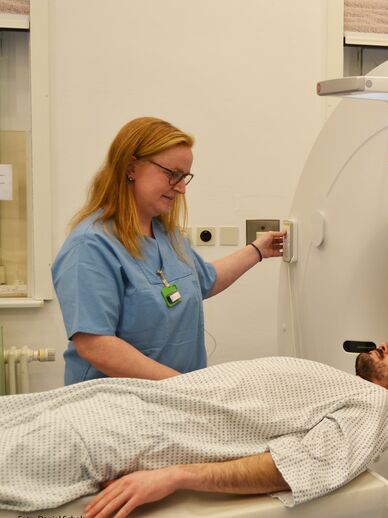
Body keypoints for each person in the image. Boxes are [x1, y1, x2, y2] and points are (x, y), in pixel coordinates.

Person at [0, 341, 388, 518]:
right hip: (113, 407)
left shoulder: (376, 406)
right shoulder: (346, 389)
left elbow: (293, 468)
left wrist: (174, 477)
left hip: (112, 436)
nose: (386, 345)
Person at [51, 117, 285, 384]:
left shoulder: (167, 234)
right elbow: (95, 344)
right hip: (116, 402)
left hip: (173, 395)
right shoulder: (91, 245)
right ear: (131, 167)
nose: (181, 188)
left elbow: (203, 280)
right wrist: (185, 388)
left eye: (184, 177)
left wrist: (257, 250)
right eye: (172, 174)